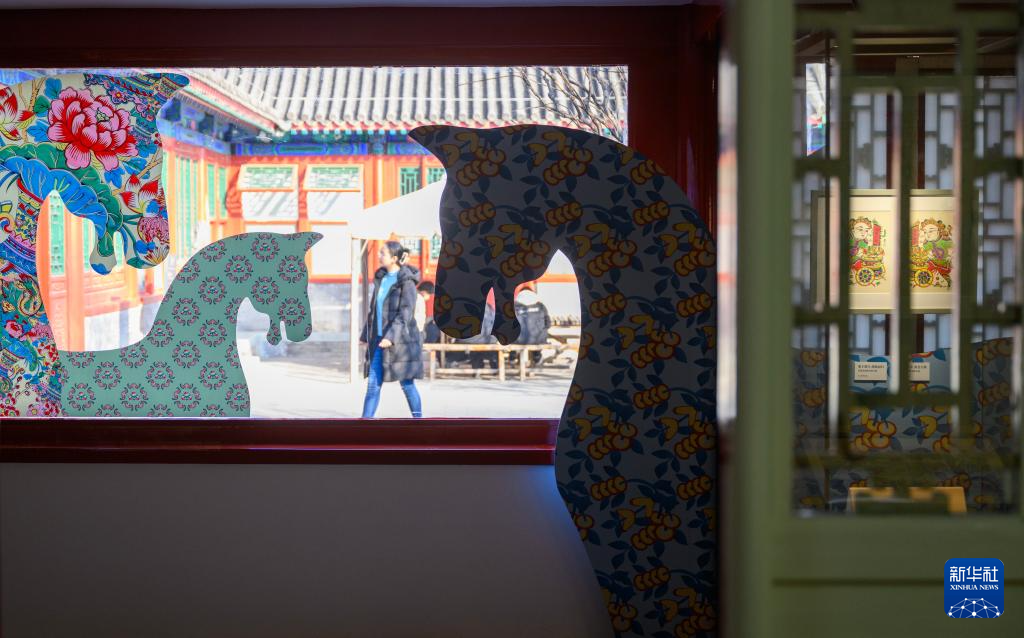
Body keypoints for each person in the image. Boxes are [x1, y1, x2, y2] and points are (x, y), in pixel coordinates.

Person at [360, 241, 424, 418]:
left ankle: (419, 420)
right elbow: (374, 310)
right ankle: (365, 424)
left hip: (401, 341)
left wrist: (390, 337)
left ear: (394, 258)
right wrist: (365, 335)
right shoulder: (381, 278)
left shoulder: (407, 282)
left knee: (407, 385)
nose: (379, 255)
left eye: (383, 253)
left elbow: (406, 313)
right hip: (378, 339)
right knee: (373, 385)